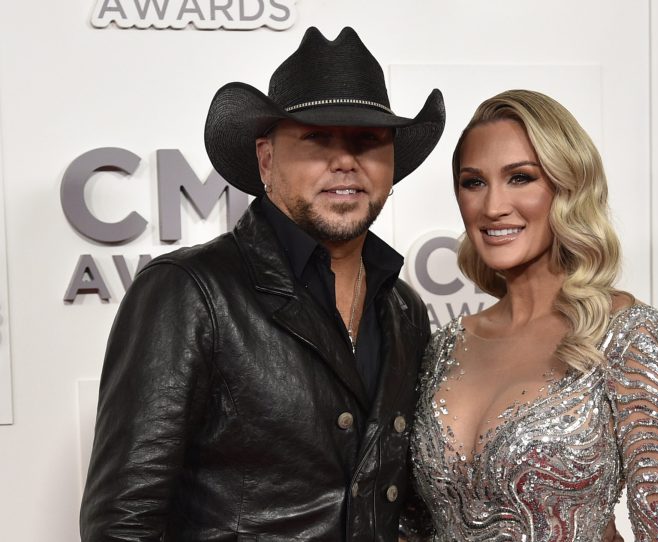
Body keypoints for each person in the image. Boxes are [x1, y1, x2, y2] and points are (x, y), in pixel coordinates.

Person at [79, 27, 446, 541]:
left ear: (391, 164)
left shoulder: (404, 308)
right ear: (267, 159)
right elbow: (122, 525)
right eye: (318, 138)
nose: (345, 162)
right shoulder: (189, 292)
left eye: (367, 141)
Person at [405, 90, 658, 540]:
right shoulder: (444, 346)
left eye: (520, 178)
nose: (493, 205)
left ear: (567, 186)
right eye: (473, 182)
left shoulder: (628, 335)